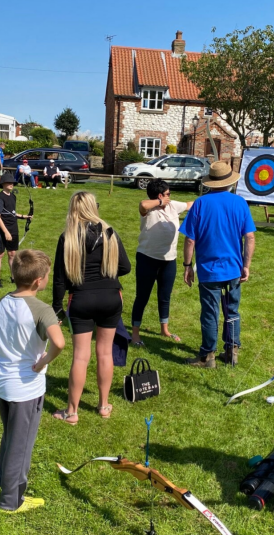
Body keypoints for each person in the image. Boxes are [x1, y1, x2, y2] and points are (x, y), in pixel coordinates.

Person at [0, 249, 65, 513]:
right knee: (21, 445)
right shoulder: (42, 310)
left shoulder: (0, 303)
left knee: (11, 436)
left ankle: (3, 480)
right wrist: (43, 362)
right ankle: (12, 500)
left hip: (1, 382)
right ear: (38, 282)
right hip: (26, 388)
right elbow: (59, 343)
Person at [51, 191, 131, 424]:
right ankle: (103, 405)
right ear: (93, 207)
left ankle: (72, 412)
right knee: (105, 352)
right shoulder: (109, 233)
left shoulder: (67, 237)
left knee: (80, 357)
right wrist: (105, 272)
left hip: (81, 299)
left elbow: (59, 279)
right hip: (110, 297)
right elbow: (125, 267)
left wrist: (57, 307)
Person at [180, 161, 256, 368]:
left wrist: (187, 265)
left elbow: (190, 239)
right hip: (233, 269)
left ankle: (208, 356)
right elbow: (249, 237)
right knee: (232, 311)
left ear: (210, 182)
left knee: (210, 312)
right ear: (230, 182)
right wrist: (246, 265)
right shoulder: (239, 203)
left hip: (209, 270)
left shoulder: (200, 204)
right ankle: (232, 351)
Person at [130, 179, 193, 347]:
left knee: (164, 297)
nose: (170, 197)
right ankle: (135, 333)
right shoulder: (149, 209)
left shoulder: (173, 206)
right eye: (167, 194)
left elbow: (190, 204)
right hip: (147, 258)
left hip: (168, 260)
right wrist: (159, 202)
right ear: (159, 195)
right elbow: (143, 204)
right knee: (142, 297)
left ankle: (164, 329)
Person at [0, 176, 32, 288]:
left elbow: (11, 213)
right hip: (2, 230)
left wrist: (25, 216)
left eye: (12, 183)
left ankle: (14, 277)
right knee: (0, 253)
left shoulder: (13, 196)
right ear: (3, 184)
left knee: (12, 254)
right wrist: (5, 232)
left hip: (13, 228)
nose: (11, 184)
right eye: (9, 182)